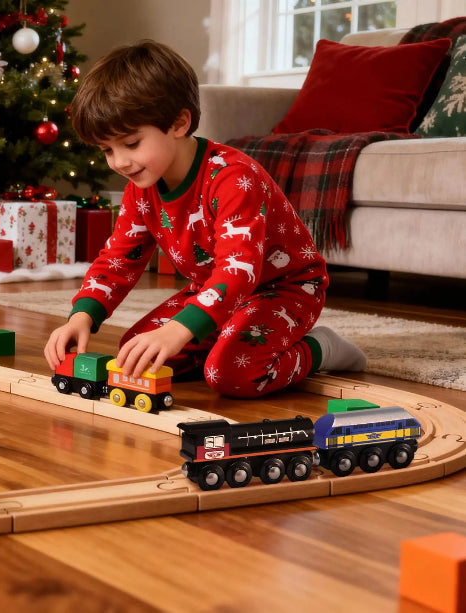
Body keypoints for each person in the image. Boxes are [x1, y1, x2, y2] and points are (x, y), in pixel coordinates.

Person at [43, 40, 365, 398]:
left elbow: (238, 271)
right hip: (214, 291)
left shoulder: (233, 178)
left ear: (179, 123)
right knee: (135, 353)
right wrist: (81, 316)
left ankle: (320, 349)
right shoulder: (141, 186)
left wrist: (179, 330)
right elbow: (119, 259)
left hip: (284, 289)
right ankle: (231, 334)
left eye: (131, 144)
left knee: (228, 375)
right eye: (107, 150)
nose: (119, 162)